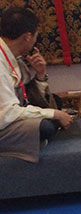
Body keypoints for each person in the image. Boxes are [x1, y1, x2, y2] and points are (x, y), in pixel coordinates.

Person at [0, 7, 73, 162]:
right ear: (27, 36)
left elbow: (24, 91)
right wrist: (54, 114)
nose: (35, 40)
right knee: (46, 126)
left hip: (14, 111)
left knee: (55, 101)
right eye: (35, 36)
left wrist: (40, 73)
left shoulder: (11, 53)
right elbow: (8, 113)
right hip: (4, 123)